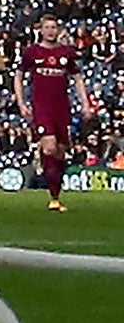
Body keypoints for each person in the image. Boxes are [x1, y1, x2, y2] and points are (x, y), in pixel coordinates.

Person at [18, 12, 97, 212]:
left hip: (62, 107)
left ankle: (56, 193)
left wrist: (85, 103)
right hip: (41, 107)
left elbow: (78, 78)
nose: (51, 31)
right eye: (47, 27)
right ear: (41, 30)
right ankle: (52, 197)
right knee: (50, 148)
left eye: (54, 27)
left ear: (59, 30)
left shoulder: (66, 53)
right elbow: (18, 76)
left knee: (61, 153)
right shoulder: (32, 53)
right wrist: (21, 102)